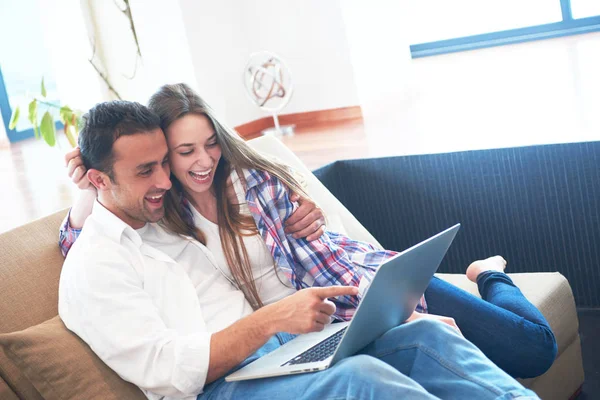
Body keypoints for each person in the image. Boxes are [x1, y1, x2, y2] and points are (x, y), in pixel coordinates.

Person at [60, 83, 557, 379]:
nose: (204, 160)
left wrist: (311, 215)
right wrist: (88, 181)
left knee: (534, 348)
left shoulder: (252, 180)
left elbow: (312, 255)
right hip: (325, 324)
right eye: (184, 151)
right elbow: (84, 242)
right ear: (162, 156)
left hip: (369, 282)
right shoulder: (161, 213)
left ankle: (490, 274)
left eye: (210, 143)